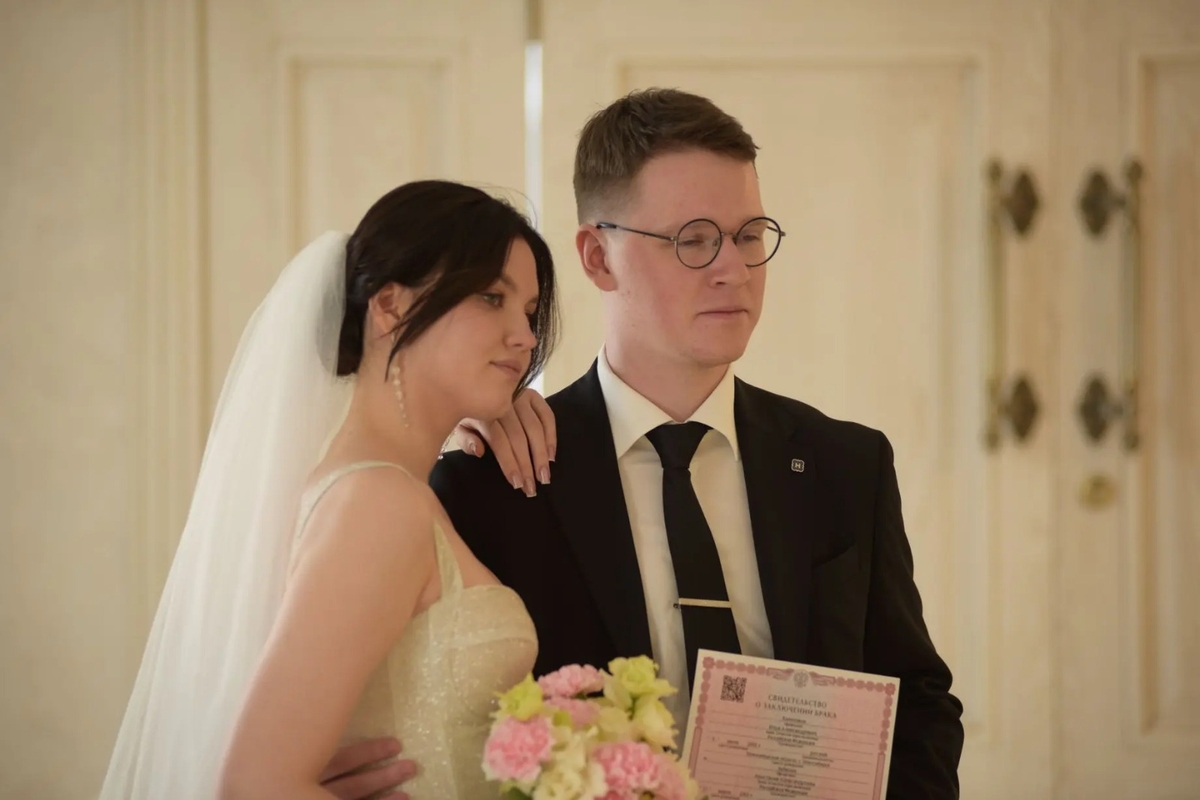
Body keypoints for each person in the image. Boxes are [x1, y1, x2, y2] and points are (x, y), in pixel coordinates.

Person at [334, 88, 965, 800]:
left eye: (749, 236)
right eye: (693, 239)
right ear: (597, 256)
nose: (734, 269)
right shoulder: (493, 477)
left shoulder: (847, 465)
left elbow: (918, 705)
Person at [98, 180, 559, 800]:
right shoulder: (380, 502)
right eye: (490, 297)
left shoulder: (379, 489)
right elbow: (257, 785)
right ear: (390, 306)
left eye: (528, 311)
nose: (524, 336)